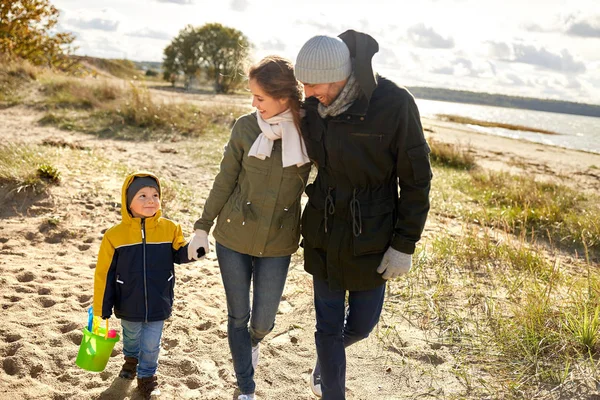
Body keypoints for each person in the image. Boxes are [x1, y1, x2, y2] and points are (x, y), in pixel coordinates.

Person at [294, 30, 433, 399]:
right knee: (327, 327)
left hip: (371, 236)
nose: (308, 93)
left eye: (314, 84)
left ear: (342, 75)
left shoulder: (394, 104)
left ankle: (327, 360)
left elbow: (417, 181)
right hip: (323, 231)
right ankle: (331, 390)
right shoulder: (311, 106)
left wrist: (404, 245)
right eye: (302, 84)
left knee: (362, 324)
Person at [187, 56, 311, 400]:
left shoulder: (309, 130)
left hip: (279, 240)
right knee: (237, 316)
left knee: (262, 323)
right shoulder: (245, 127)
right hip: (233, 236)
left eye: (259, 97)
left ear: (284, 97)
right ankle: (246, 388)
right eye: (252, 97)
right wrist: (202, 228)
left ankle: (251, 343)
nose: (253, 104)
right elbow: (225, 179)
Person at [93, 171, 193, 399]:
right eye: (143, 195)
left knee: (151, 344)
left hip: (159, 299)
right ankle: (130, 360)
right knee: (131, 337)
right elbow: (104, 275)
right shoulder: (114, 236)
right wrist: (101, 310)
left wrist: (195, 249)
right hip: (128, 301)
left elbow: (181, 254)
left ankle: (147, 378)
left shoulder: (170, 228)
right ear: (128, 203)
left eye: (155, 195)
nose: (151, 200)